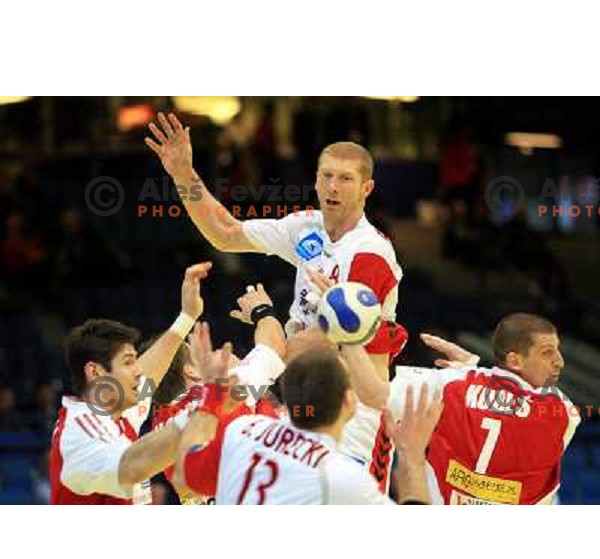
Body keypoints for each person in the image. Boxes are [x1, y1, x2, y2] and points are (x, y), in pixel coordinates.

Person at [145, 113, 408, 491]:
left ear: (366, 188)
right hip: (301, 397)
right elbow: (226, 233)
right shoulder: (305, 227)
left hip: (353, 410)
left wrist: (260, 353)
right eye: (326, 176)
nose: (333, 187)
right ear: (315, 179)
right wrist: (183, 174)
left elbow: (330, 337)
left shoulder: (371, 253)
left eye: (346, 178)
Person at [341, 312, 581, 505]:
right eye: (548, 352)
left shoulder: (452, 385)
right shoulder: (563, 412)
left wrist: (346, 330)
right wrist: (473, 367)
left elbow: (372, 392)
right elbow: (510, 397)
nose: (559, 361)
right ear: (515, 360)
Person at [173, 346, 443, 505]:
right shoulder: (343, 477)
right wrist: (412, 457)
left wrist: (211, 397)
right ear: (350, 402)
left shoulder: (244, 429)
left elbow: (185, 474)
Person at [49, 263, 221, 504]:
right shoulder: (82, 430)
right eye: (128, 363)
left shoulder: (118, 414)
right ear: (96, 372)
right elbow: (133, 466)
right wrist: (207, 407)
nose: (139, 371)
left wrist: (187, 317)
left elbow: (150, 372)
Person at [141, 283, 287, 504]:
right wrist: (262, 311)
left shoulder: (159, 421)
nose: (215, 352)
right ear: (191, 371)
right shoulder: (222, 394)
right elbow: (273, 346)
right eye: (202, 353)